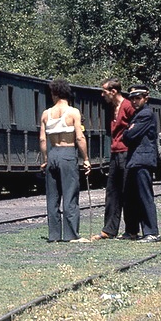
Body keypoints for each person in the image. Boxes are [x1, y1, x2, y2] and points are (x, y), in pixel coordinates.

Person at [39, 79, 91, 243]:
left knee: (52, 198)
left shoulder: (46, 114)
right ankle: (71, 235)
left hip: (53, 152)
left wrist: (46, 158)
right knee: (70, 195)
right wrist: (86, 159)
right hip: (68, 153)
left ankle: (54, 235)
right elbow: (80, 137)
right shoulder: (73, 112)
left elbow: (42, 139)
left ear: (54, 93)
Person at [90, 77, 135, 241]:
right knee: (112, 192)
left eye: (104, 91)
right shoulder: (112, 108)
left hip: (126, 153)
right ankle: (109, 230)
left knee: (127, 192)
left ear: (113, 91)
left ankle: (131, 230)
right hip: (115, 153)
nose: (103, 95)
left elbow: (136, 127)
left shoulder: (128, 106)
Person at [122, 84, 161, 243]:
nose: (134, 101)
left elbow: (129, 136)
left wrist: (128, 131)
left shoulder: (145, 114)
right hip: (135, 160)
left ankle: (152, 232)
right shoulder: (138, 115)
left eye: (138, 98)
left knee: (144, 196)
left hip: (142, 160)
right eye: (132, 99)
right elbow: (129, 134)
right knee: (131, 198)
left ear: (146, 98)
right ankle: (132, 231)